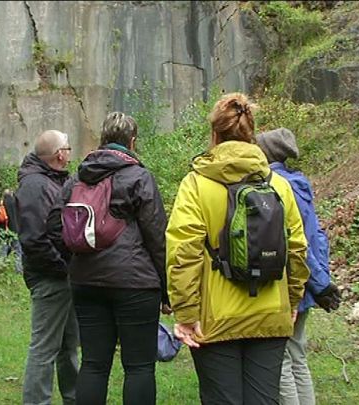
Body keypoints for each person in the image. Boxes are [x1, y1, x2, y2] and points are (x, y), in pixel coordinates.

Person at [166, 93, 310, 405]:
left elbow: (183, 252)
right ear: (251, 133)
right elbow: (297, 248)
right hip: (271, 312)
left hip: (215, 318)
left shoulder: (195, 184)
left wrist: (187, 312)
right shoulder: (278, 185)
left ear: (214, 134)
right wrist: (293, 299)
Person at [60, 112, 170, 405]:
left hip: (85, 281)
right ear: (132, 142)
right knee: (139, 367)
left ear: (102, 139)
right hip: (135, 284)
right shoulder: (139, 177)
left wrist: (72, 266)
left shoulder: (76, 179)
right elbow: (157, 234)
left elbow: (56, 227)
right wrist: (167, 288)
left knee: (94, 364)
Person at [256, 128, 342, 405]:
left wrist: (317, 282)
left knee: (280, 360)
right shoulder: (299, 183)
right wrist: (321, 281)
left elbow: (295, 241)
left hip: (289, 282)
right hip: (308, 280)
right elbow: (317, 237)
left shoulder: (275, 186)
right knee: (297, 356)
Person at [17, 130, 79, 405]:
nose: (70, 153)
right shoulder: (34, 185)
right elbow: (34, 239)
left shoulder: (51, 180)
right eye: (68, 148)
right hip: (51, 278)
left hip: (63, 277)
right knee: (44, 348)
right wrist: (61, 268)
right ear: (59, 154)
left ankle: (74, 397)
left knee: (68, 346)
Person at [0, 188, 23, 274]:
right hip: (16, 230)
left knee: (4, 250)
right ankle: (19, 270)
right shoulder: (15, 203)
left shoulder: (2, 204)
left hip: (5, 230)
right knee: (18, 251)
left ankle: (1, 266)